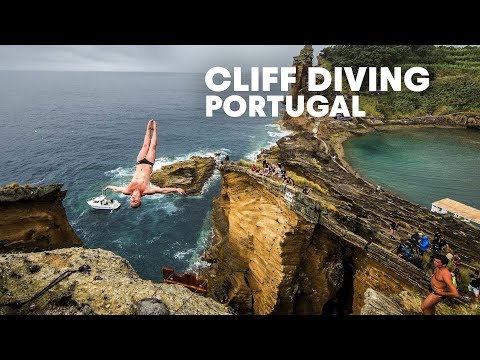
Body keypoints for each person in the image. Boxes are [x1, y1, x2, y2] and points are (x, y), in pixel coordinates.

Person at [104, 119, 186, 208]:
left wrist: (109, 187)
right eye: (135, 202)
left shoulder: (127, 191)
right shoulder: (147, 191)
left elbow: (117, 189)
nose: (133, 200)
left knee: (145, 145)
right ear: (140, 200)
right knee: (153, 146)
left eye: (132, 201)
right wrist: (176, 189)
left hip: (139, 162)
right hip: (149, 163)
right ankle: (155, 128)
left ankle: (148, 128)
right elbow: (163, 191)